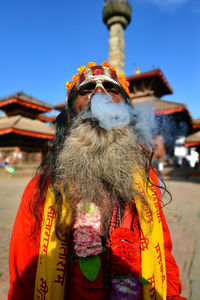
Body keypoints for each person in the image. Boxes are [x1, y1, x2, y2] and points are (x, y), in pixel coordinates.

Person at [9, 62, 187, 300]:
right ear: (71, 116)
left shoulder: (146, 181)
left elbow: (163, 255)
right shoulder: (43, 187)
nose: (99, 95)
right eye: (87, 89)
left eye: (112, 89)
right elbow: (25, 271)